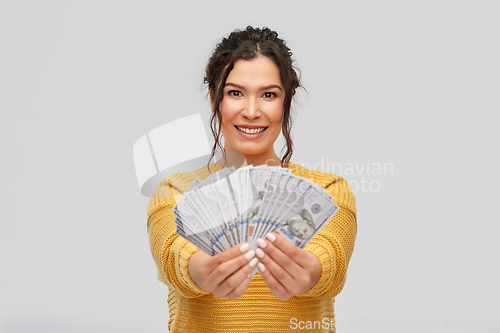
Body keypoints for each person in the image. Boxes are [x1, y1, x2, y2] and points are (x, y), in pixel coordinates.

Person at [146, 26, 357, 332]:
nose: (251, 111)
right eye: (235, 93)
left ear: (286, 101)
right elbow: (172, 254)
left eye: (268, 95)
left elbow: (331, 260)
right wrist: (203, 271)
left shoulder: (329, 190)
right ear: (213, 97)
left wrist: (310, 271)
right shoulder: (174, 192)